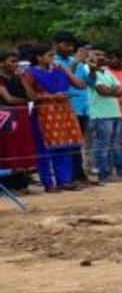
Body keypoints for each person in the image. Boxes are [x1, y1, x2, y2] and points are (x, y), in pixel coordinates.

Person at [21, 44, 87, 191]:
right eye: (49, 55)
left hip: (64, 112)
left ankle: (65, 180)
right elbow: (30, 96)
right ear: (39, 57)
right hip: (44, 113)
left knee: (65, 147)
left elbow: (81, 85)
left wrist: (65, 70)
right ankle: (49, 183)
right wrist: (51, 96)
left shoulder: (58, 70)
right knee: (45, 150)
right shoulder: (30, 73)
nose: (53, 59)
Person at [52, 31, 91, 183]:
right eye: (66, 45)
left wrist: (92, 69)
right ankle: (69, 177)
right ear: (55, 44)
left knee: (77, 144)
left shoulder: (76, 61)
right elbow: (62, 81)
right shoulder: (53, 61)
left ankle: (79, 174)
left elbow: (84, 83)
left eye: (71, 46)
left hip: (82, 107)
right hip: (64, 108)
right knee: (67, 144)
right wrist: (75, 63)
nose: (69, 48)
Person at [85, 45, 122, 183]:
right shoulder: (87, 70)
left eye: (103, 54)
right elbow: (102, 90)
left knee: (114, 144)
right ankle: (103, 174)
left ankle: (113, 172)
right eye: (97, 54)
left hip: (114, 112)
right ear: (89, 55)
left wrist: (112, 90)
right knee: (102, 145)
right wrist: (114, 90)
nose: (101, 57)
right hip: (100, 114)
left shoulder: (106, 71)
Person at [0, 49, 38, 186]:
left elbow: (33, 97)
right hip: (6, 117)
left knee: (22, 147)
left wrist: (23, 80)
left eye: (17, 62)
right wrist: (25, 101)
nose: (16, 65)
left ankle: (22, 181)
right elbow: (8, 99)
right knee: (8, 149)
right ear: (2, 63)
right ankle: (8, 183)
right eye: (12, 61)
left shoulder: (18, 78)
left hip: (21, 116)